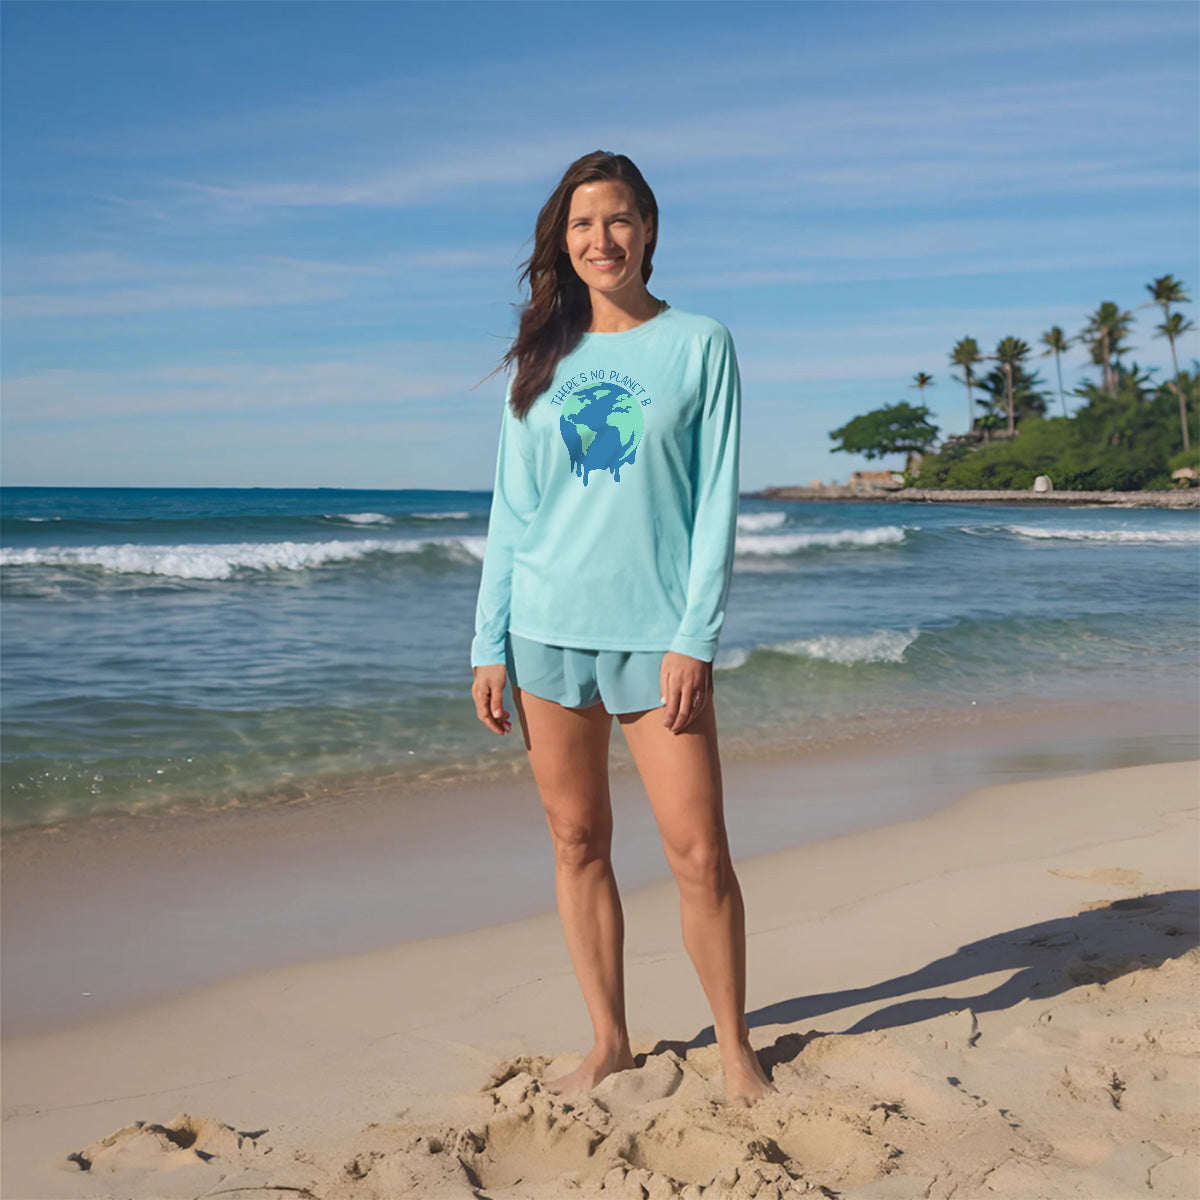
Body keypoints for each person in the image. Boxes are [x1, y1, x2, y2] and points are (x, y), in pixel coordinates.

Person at [469, 150, 774, 1106]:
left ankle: (735, 1050)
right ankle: (609, 1044)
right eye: (581, 224)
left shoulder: (699, 344)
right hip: (545, 632)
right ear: (562, 242)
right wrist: (488, 643)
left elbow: (715, 501)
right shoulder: (541, 358)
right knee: (576, 841)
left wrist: (696, 637)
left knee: (699, 853)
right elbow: (513, 512)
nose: (601, 239)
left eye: (618, 219)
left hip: (656, 636)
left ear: (648, 230)